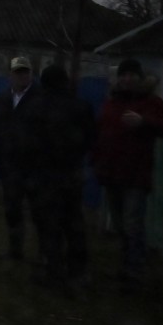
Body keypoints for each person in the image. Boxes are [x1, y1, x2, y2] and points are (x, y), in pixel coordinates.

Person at [93, 57, 163, 282]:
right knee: (120, 225)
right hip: (111, 173)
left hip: (136, 174)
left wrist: (144, 122)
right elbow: (102, 133)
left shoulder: (151, 102)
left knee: (132, 224)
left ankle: (135, 271)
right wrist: (97, 162)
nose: (127, 79)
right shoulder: (112, 102)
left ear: (139, 78)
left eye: (131, 75)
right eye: (123, 75)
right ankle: (126, 265)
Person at [18, 64, 95, 290]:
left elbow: (25, 143)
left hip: (44, 175)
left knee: (48, 225)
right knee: (74, 223)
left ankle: (53, 271)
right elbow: (91, 137)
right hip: (71, 173)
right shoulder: (80, 106)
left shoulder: (35, 107)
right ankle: (77, 272)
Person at [0, 56, 39, 260]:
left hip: (34, 166)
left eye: (25, 72)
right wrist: (0, 156)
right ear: (10, 75)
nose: (21, 76)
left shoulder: (39, 98)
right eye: (17, 72)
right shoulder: (2, 98)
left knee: (39, 211)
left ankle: (43, 252)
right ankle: (15, 248)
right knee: (12, 209)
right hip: (9, 166)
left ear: (31, 74)